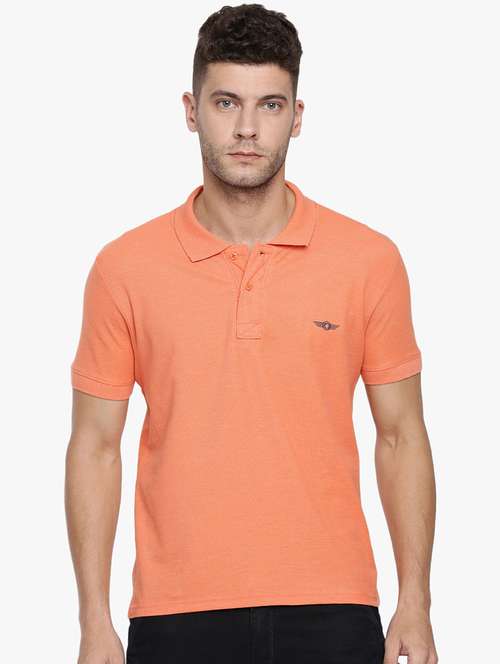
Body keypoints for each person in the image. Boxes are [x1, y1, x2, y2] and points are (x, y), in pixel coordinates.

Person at [65, 4, 438, 663]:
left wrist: (416, 600)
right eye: (226, 102)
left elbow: (402, 435)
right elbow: (95, 448)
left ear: (297, 116)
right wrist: (93, 620)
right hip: (176, 611)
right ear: (191, 110)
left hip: (333, 606)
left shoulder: (368, 261)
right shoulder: (124, 268)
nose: (246, 128)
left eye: (270, 105)